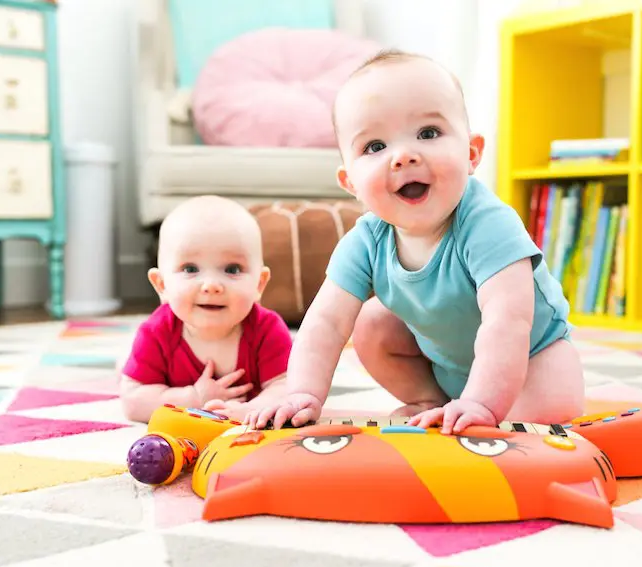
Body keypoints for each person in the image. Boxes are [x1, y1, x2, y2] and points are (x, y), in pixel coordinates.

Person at [244, 49, 585, 435]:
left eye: (428, 133)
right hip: (446, 370)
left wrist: (482, 404)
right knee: (371, 323)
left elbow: (508, 322)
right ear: (350, 183)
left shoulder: (488, 223)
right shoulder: (367, 240)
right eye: (375, 147)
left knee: (540, 416)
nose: (403, 156)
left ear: (471, 154)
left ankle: (474, 412)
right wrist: (302, 392)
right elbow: (325, 322)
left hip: (532, 361)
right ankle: (429, 401)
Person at [120, 196, 292, 423]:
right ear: (161, 285)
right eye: (190, 268)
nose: (211, 285)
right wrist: (193, 397)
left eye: (232, 269)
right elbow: (133, 403)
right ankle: (125, 362)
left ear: (259, 284)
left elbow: (290, 388)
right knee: (128, 373)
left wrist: (252, 410)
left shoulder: (267, 330)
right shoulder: (156, 332)